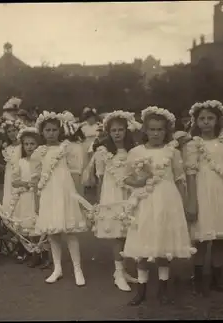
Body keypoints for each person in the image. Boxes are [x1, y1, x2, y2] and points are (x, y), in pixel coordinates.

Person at [122, 106, 194, 306]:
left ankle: (163, 288)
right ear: (145, 130)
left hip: (167, 200)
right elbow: (127, 178)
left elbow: (180, 179)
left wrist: (186, 203)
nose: (155, 133)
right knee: (143, 246)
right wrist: (140, 180)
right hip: (146, 202)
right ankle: (141, 290)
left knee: (164, 246)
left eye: (160, 130)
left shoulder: (172, 152)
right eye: (152, 129)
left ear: (166, 131)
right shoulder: (136, 152)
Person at [185, 100, 223, 296]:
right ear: (196, 122)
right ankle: (198, 280)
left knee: (220, 238)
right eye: (202, 119)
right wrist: (192, 201)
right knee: (202, 239)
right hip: (203, 192)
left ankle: (216, 280)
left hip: (221, 192)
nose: (206, 122)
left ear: (217, 120)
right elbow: (191, 173)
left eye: (210, 118)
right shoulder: (193, 144)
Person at [31, 111, 89, 286]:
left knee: (70, 232)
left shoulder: (67, 148)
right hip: (49, 193)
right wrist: (36, 200)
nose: (51, 133)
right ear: (42, 132)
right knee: (53, 232)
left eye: (54, 129)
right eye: (47, 130)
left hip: (65, 192)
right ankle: (57, 268)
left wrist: (79, 197)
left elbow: (75, 173)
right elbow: (36, 178)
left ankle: (77, 269)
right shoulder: (39, 152)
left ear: (59, 130)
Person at [93, 111, 138, 292]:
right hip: (112, 194)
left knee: (129, 232)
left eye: (121, 130)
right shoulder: (102, 152)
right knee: (118, 234)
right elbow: (100, 178)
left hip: (130, 193)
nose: (117, 133)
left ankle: (125, 270)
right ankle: (118, 273)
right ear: (108, 132)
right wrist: (99, 204)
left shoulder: (133, 151)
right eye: (114, 130)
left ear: (127, 131)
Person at [9, 127, 51, 268]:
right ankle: (34, 254)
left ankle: (45, 255)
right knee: (28, 228)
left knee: (40, 227)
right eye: (26, 144)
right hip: (26, 197)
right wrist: (26, 184)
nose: (29, 147)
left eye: (32, 144)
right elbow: (14, 181)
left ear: (38, 145)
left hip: (39, 197)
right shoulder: (21, 162)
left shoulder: (42, 161)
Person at [0, 118, 24, 211]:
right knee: (9, 198)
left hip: (20, 175)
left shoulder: (23, 146)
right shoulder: (7, 148)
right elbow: (6, 167)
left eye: (14, 130)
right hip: (9, 176)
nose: (12, 133)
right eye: (9, 131)